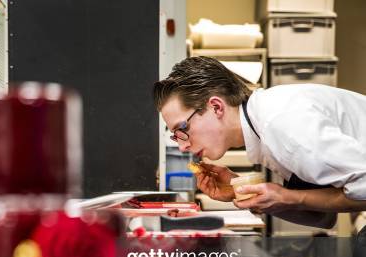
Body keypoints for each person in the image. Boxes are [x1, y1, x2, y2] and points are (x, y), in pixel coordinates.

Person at [152, 56, 366, 229]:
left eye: (182, 130)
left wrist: (289, 196)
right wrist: (249, 193)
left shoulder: (280, 122)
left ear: (216, 107)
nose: (182, 146)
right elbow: (323, 218)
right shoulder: (263, 128)